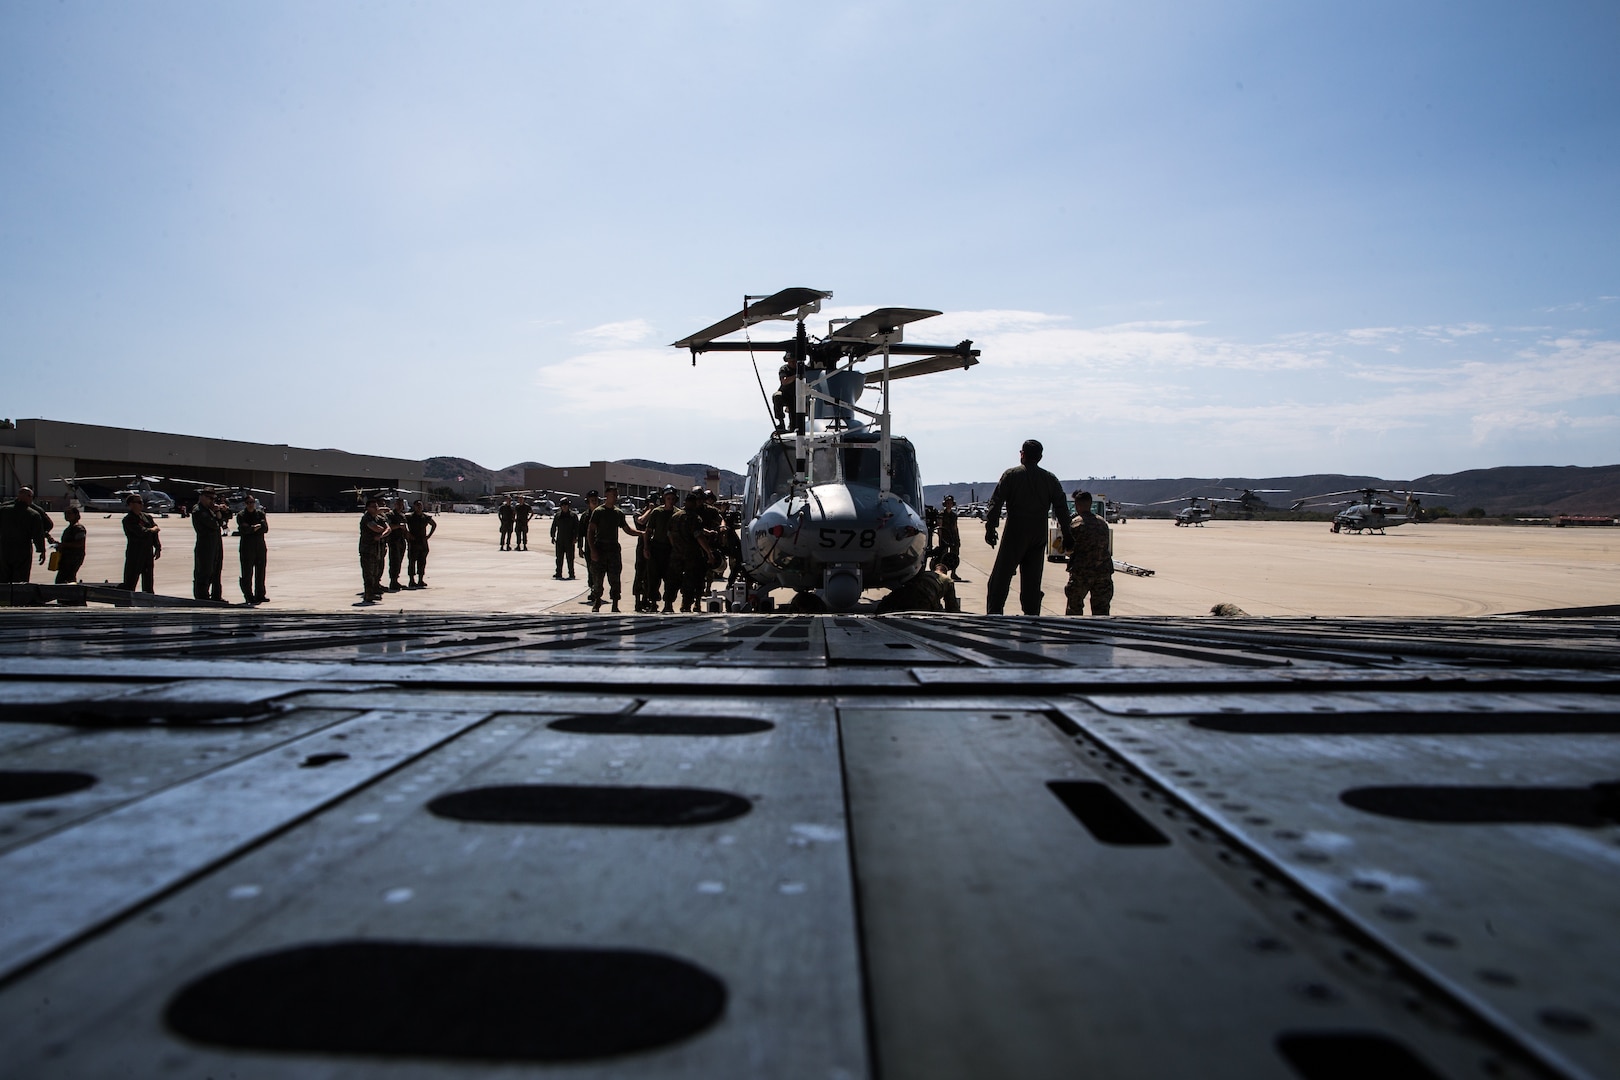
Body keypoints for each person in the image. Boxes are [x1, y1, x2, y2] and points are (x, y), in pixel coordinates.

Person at [984, 438, 1073, 616]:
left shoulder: (1011, 475)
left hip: (1015, 533)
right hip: (1038, 535)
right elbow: (1062, 508)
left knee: (999, 580)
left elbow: (996, 502)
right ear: (1040, 457)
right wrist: (1068, 534)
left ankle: (994, 617)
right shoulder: (1050, 479)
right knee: (1032, 582)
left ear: (1022, 454)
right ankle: (1032, 618)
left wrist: (991, 527)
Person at [584, 484, 643, 612]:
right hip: (600, 548)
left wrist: (641, 533)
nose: (616, 497)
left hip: (613, 549)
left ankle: (615, 604)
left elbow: (627, 529)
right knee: (598, 578)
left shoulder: (618, 513)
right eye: (613, 495)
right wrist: (593, 550)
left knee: (615, 578)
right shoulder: (598, 512)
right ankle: (597, 601)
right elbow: (590, 532)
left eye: (617, 495)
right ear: (606, 496)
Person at [1065, 490, 1114, 616]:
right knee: (1101, 610)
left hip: (1082, 572)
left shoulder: (1076, 524)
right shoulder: (1102, 523)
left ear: (1077, 505)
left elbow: (1067, 549)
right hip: (1103, 572)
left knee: (1074, 608)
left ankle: (1076, 633)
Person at [638, 485, 679, 611]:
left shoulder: (677, 513)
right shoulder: (657, 512)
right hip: (656, 548)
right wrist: (646, 548)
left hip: (670, 550)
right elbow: (648, 531)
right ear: (664, 498)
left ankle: (668, 604)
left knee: (671, 578)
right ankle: (653, 603)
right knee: (653, 578)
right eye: (668, 498)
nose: (670, 501)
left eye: (672, 498)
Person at [0, 487, 51, 582]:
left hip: (4, 549)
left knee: (3, 577)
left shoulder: (3, 510)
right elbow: (38, 535)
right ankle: (19, 596)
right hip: (22, 550)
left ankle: (4, 595)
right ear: (28, 497)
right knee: (21, 578)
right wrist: (41, 550)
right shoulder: (33, 514)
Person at [875, 561, 961, 613]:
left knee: (887, 606)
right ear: (945, 572)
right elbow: (951, 606)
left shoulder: (925, 573)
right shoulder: (948, 580)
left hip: (907, 592)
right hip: (925, 598)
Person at [121, 494, 161, 592]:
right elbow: (141, 532)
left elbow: (155, 534)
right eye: (138, 502)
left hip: (147, 552)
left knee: (148, 581)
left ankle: (149, 602)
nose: (141, 504)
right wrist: (152, 529)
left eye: (141, 502)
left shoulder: (147, 517)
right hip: (135, 553)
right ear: (131, 504)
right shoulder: (128, 519)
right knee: (130, 581)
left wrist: (158, 547)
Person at [192, 489, 225, 601]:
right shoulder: (199, 510)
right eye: (210, 498)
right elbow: (215, 524)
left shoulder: (209, 510)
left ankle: (216, 596)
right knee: (204, 571)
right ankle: (202, 596)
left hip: (215, 544)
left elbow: (222, 521)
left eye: (213, 499)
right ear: (202, 497)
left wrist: (218, 512)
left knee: (216, 570)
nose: (212, 501)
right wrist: (217, 515)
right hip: (205, 545)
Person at [236, 494, 269, 603]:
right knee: (247, 573)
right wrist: (254, 528)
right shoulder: (241, 515)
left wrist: (253, 528)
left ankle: (260, 594)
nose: (251, 505)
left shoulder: (260, 514)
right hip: (247, 547)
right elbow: (244, 530)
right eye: (248, 503)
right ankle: (248, 595)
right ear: (245, 504)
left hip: (259, 546)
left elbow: (265, 528)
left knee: (260, 572)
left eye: (252, 502)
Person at [358, 496, 391, 603]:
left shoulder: (379, 517)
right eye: (373, 506)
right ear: (368, 508)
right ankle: (368, 594)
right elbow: (376, 528)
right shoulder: (366, 518)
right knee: (368, 573)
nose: (376, 508)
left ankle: (374, 590)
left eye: (376, 506)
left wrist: (381, 535)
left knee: (377, 571)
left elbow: (388, 529)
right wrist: (383, 531)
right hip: (368, 550)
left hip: (377, 549)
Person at [405, 499, 437, 587]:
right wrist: (407, 534)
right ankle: (411, 580)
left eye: (421, 505)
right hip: (413, 541)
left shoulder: (425, 517)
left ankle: (420, 580)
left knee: (422, 562)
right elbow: (402, 525)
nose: (419, 507)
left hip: (422, 542)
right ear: (414, 507)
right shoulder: (410, 517)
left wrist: (429, 535)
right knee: (412, 562)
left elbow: (434, 525)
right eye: (418, 505)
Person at [53, 505, 87, 584]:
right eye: (65, 513)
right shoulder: (69, 528)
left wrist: (63, 545)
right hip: (67, 558)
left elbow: (80, 544)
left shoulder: (79, 528)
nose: (66, 515)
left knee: (66, 579)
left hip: (74, 558)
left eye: (69, 513)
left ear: (76, 515)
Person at [577, 490, 601, 598]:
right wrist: (580, 548)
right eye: (592, 500)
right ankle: (593, 588)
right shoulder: (585, 516)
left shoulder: (602, 514)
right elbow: (581, 533)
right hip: (588, 547)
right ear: (588, 501)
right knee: (590, 569)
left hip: (601, 546)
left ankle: (598, 588)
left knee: (600, 570)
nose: (594, 502)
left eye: (595, 500)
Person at [550, 497, 579, 579]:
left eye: (566, 505)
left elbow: (577, 528)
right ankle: (558, 572)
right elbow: (554, 526)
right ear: (561, 506)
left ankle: (571, 573)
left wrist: (575, 538)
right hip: (560, 540)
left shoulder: (573, 516)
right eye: (563, 505)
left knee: (570, 558)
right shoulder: (558, 515)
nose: (565, 507)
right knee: (559, 558)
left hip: (570, 540)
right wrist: (552, 536)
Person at [385, 498, 410, 591]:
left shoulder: (402, 515)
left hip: (401, 541)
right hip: (393, 541)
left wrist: (408, 537)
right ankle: (393, 581)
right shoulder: (390, 515)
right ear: (394, 505)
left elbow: (405, 529)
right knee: (394, 561)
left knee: (399, 561)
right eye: (398, 504)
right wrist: (399, 526)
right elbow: (388, 526)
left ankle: (396, 580)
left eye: (401, 504)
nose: (400, 506)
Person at [937, 495, 963, 580]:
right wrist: (940, 538)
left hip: (953, 537)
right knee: (943, 556)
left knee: (954, 555)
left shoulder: (954, 515)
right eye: (947, 503)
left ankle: (953, 573)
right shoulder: (941, 514)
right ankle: (942, 574)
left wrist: (957, 538)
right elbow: (940, 527)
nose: (949, 504)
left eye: (950, 503)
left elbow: (955, 527)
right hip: (945, 537)